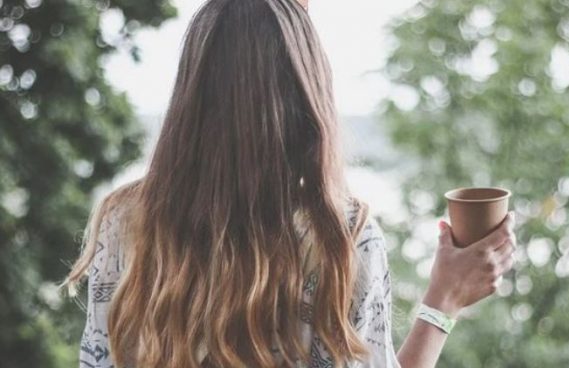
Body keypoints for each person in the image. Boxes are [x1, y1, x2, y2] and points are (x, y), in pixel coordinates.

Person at [64, 0, 517, 367]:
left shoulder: (125, 221)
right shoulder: (340, 236)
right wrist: (443, 301)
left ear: (192, 92)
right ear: (305, 96)